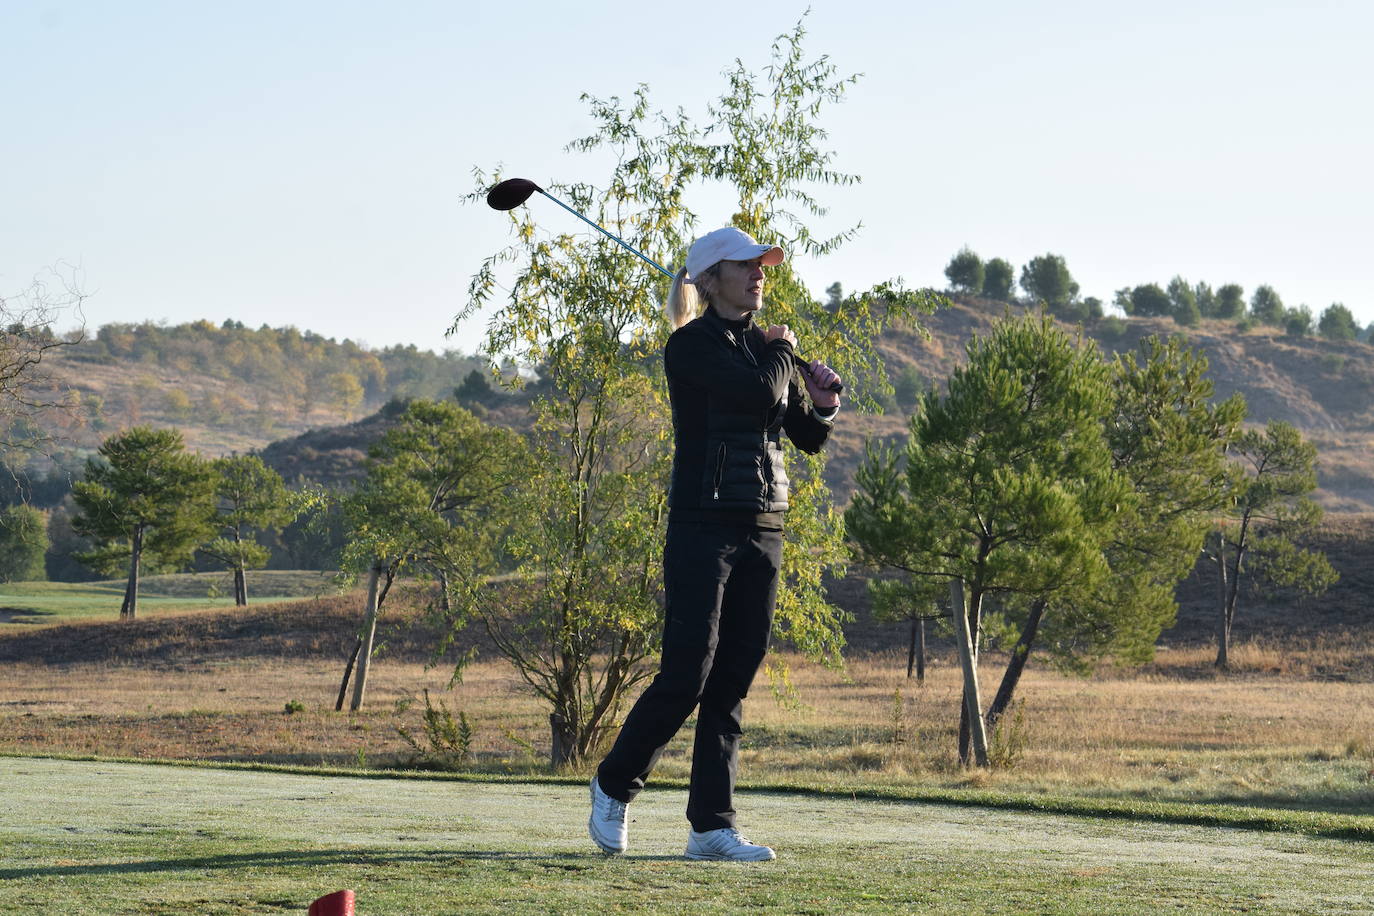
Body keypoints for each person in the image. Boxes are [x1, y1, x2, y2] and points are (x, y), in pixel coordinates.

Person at [588, 226, 842, 862]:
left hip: (763, 527)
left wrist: (825, 404)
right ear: (711, 279)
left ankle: (711, 827)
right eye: (747, 266)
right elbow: (759, 392)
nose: (761, 274)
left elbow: (803, 436)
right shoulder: (690, 347)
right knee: (687, 673)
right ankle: (614, 783)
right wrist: (782, 351)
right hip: (703, 528)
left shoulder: (758, 351)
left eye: (763, 266)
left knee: (731, 680)